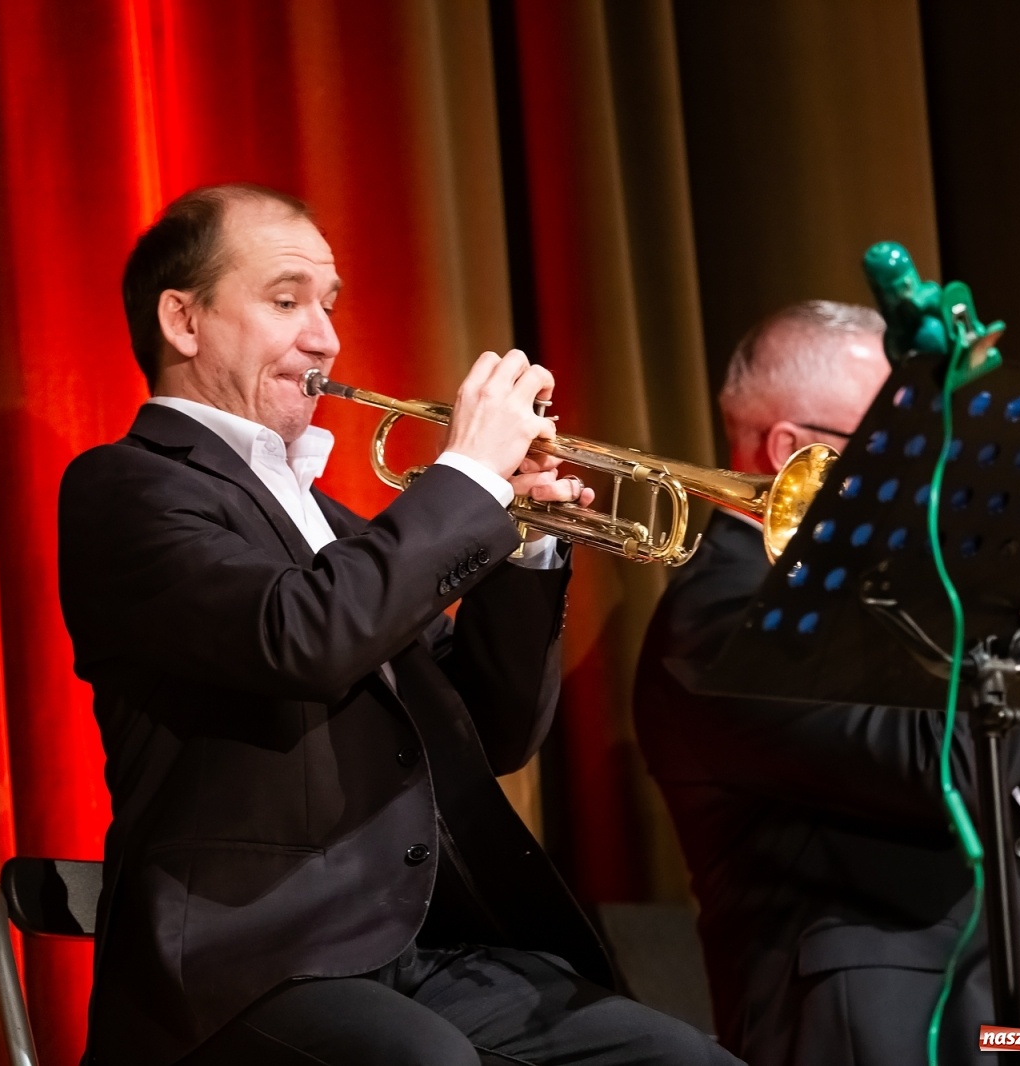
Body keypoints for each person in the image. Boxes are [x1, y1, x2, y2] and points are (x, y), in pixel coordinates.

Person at [58, 183, 740, 1066]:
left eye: (328, 306)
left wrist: (523, 543)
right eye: (286, 300)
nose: (325, 337)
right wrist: (465, 480)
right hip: (245, 962)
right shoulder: (127, 487)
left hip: (419, 952)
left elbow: (491, 729)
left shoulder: (336, 525)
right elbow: (301, 635)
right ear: (183, 322)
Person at [634, 300, 1020, 1065]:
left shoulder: (895, 589)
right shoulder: (717, 616)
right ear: (789, 450)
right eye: (893, 438)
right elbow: (940, 771)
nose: (928, 463)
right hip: (903, 1026)